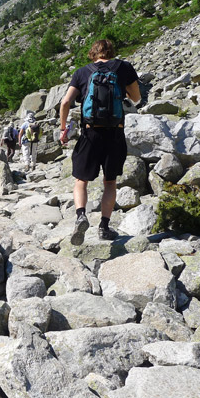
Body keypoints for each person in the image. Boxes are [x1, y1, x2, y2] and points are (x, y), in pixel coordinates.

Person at [59, 39, 141, 245]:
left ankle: (80, 216)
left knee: (81, 180)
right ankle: (104, 227)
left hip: (90, 133)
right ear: (111, 52)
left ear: (93, 53)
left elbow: (65, 102)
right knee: (110, 182)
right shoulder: (124, 68)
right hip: (115, 133)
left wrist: (63, 129)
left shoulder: (82, 72)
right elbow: (137, 98)